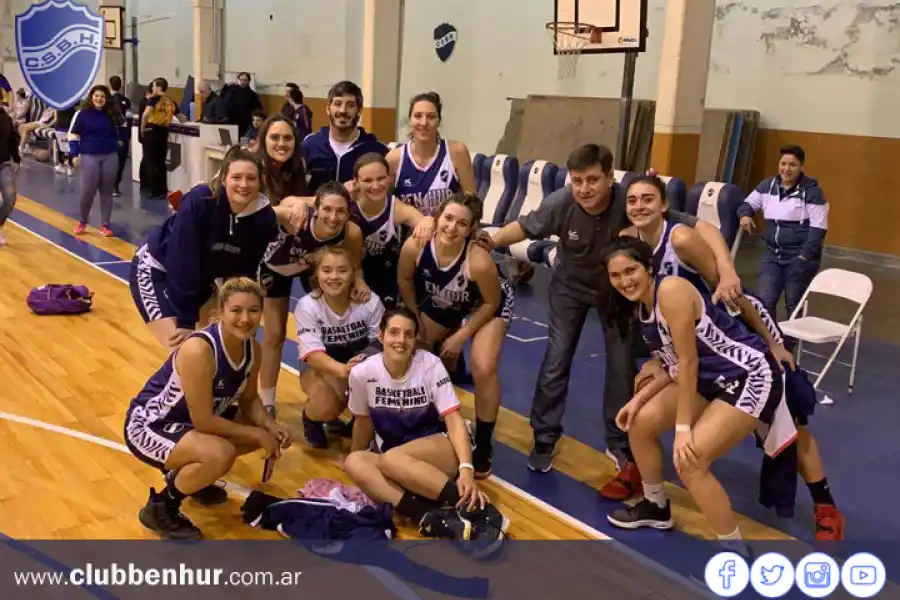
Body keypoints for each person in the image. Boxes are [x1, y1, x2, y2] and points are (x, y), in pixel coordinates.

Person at [482, 144, 743, 496]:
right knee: (556, 360)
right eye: (578, 181)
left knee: (621, 366)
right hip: (569, 288)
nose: (585, 189)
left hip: (616, 292)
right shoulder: (562, 202)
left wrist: (726, 269)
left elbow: (704, 228)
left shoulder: (632, 202)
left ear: (610, 177)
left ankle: (619, 441)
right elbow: (525, 227)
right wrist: (489, 241)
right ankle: (544, 437)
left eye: (593, 180)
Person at [620, 175, 844, 540]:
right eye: (632, 200)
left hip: (736, 331)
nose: (639, 206)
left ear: (664, 204)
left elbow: (729, 289)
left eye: (648, 199)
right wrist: (657, 363)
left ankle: (825, 505)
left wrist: (771, 341)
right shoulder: (631, 244)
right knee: (645, 417)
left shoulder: (680, 238)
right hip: (694, 349)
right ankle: (654, 501)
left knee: (787, 423)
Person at [600, 236, 788, 552]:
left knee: (689, 462)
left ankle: (735, 553)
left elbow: (688, 363)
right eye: (615, 276)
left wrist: (683, 429)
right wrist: (637, 401)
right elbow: (673, 363)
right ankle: (655, 506)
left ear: (648, 268)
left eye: (630, 271)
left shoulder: (670, 292)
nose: (624, 281)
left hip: (749, 374)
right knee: (639, 423)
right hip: (709, 379)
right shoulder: (643, 309)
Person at [124, 277, 292, 540]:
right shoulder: (199, 350)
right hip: (150, 425)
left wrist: (271, 427)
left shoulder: (253, 349)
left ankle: (192, 476)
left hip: (186, 424)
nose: (245, 319)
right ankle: (162, 508)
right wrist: (260, 435)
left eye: (253, 311)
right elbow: (203, 421)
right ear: (219, 313)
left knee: (258, 426)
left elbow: (249, 401)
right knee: (221, 452)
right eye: (236, 310)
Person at [343, 307, 510, 547]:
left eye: (408, 334)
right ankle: (432, 519)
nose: (400, 340)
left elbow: (453, 419)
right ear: (381, 336)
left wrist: (466, 469)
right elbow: (363, 421)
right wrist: (355, 462)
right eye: (393, 332)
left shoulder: (430, 365)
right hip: (397, 457)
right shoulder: (362, 373)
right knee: (355, 463)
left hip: (440, 448)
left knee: (391, 459)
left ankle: (481, 511)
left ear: (415, 339)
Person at [129, 146, 301, 349]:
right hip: (156, 270)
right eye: (236, 177)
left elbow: (245, 273)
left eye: (251, 178)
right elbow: (183, 260)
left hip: (203, 279)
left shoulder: (263, 220)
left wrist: (242, 310)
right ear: (224, 178)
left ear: (260, 181)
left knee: (224, 348)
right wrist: (185, 321)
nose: (243, 185)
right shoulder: (201, 201)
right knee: (186, 351)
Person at [398, 192, 514, 479]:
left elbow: (490, 302)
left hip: (486, 304)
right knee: (416, 351)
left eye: (462, 224)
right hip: (445, 301)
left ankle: (484, 442)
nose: (452, 227)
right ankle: (424, 422)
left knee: (483, 366)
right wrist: (415, 318)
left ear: (471, 229)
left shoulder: (479, 261)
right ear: (437, 218)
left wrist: (461, 334)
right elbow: (404, 279)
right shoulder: (417, 245)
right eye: (448, 219)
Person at [258, 182, 369, 419]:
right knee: (274, 334)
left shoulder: (351, 232)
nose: (333, 217)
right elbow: (271, 210)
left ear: (349, 213)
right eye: (327, 210)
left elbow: (355, 261)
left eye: (341, 211)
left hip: (310, 268)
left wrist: (359, 280)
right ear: (315, 208)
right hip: (273, 267)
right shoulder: (294, 215)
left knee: (331, 321)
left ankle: (327, 390)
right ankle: (266, 400)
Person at [294, 247, 384, 448]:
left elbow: (380, 343)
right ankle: (311, 417)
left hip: (361, 361)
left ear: (353, 274)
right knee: (328, 405)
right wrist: (344, 371)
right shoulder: (307, 305)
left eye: (342, 270)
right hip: (323, 365)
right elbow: (314, 355)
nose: (334, 277)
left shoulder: (370, 302)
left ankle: (357, 423)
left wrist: (360, 368)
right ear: (317, 274)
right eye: (326, 270)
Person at [737, 145, 828, 324]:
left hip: (799, 257)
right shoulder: (766, 186)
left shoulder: (812, 192)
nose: (786, 169)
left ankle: (790, 347)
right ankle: (773, 343)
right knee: (765, 301)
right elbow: (746, 204)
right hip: (772, 255)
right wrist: (745, 215)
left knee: (794, 306)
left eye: (792, 165)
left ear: (801, 167)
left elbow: (818, 229)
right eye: (783, 163)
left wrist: (804, 257)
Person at [351, 152, 435, 308]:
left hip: (386, 273)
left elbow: (422, 221)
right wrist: (294, 201)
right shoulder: (345, 202)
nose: (375, 186)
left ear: (390, 178)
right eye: (367, 180)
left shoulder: (396, 209)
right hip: (349, 271)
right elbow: (313, 202)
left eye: (381, 178)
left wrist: (429, 221)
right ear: (355, 182)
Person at [387, 92, 476, 217]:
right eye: (418, 116)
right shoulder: (394, 159)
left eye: (431, 117)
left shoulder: (457, 152)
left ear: (439, 121)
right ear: (410, 121)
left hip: (449, 232)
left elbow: (472, 204)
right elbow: (385, 204)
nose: (424, 123)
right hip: (411, 234)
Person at [301, 80, 387, 193]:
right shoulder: (310, 145)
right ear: (328, 109)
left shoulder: (375, 150)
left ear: (359, 111)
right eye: (337, 104)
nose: (343, 110)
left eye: (350, 105)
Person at [68, 85, 124, 237]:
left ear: (107, 99)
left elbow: (121, 129)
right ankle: (82, 221)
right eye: (97, 96)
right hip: (89, 155)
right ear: (91, 97)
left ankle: (105, 224)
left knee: (107, 192)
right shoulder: (82, 114)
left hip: (110, 156)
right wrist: (74, 154)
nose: (99, 99)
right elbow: (73, 135)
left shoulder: (112, 114)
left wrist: (117, 142)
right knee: (87, 191)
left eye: (103, 97)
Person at [140, 77, 186, 199]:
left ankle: (153, 190)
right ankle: (162, 190)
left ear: (159, 87)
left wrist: (142, 128)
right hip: (164, 132)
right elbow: (182, 118)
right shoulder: (171, 101)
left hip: (152, 130)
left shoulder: (153, 99)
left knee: (150, 161)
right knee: (161, 162)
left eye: (154, 86)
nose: (153, 88)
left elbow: (145, 114)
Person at [108, 75, 132, 197]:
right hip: (123, 135)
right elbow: (129, 118)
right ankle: (115, 185)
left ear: (109, 85)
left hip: (110, 135)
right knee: (121, 160)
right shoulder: (126, 101)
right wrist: (128, 135)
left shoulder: (107, 101)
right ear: (121, 85)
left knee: (110, 160)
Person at [0, 106, 21, 247]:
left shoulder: (5, 118)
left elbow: (12, 139)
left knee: (10, 198)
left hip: (4, 163)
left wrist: (16, 158)